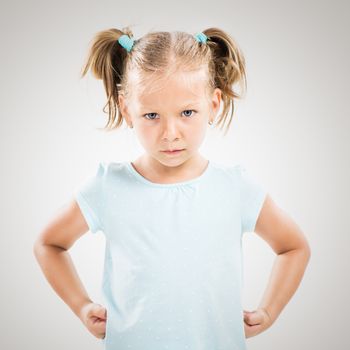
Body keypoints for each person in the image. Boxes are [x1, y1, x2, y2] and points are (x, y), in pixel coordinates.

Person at [33, 26, 311, 350]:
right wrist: (81, 305)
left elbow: (293, 246)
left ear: (214, 104)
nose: (170, 133)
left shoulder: (234, 188)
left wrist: (270, 310)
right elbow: (49, 244)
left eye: (187, 113)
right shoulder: (109, 186)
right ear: (127, 109)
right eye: (151, 115)